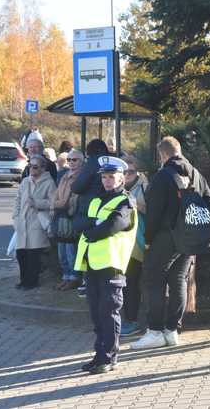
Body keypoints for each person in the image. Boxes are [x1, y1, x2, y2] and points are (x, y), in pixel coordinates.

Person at [130, 136, 210, 350]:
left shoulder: (162, 176)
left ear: (163, 155)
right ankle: (172, 330)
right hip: (189, 238)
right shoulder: (196, 174)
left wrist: (148, 240)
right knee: (179, 280)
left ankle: (155, 331)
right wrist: (194, 227)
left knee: (153, 280)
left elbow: (154, 214)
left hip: (165, 238)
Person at [74, 156, 137, 374]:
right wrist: (94, 224)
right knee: (96, 314)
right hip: (92, 264)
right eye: (104, 177)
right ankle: (99, 354)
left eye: (111, 177)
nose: (107, 181)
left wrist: (91, 228)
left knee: (109, 313)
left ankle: (109, 357)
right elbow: (77, 222)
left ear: (122, 178)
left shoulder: (125, 202)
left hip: (111, 265)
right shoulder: (95, 200)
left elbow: (112, 226)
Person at [72, 139, 111, 297]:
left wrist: (73, 185)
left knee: (86, 244)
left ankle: (86, 282)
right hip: (105, 208)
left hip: (89, 209)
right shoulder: (108, 162)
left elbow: (78, 186)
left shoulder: (93, 162)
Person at [12, 154, 57, 290]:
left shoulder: (49, 183)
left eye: (35, 167)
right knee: (21, 254)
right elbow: (18, 200)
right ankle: (23, 280)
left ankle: (32, 281)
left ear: (43, 168)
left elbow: (53, 203)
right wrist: (15, 217)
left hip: (37, 221)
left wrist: (37, 203)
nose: (32, 169)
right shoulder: (25, 181)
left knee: (34, 255)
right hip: (22, 221)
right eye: (30, 166)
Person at [120, 154, 149, 336]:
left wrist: (131, 200)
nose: (127, 174)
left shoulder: (145, 187)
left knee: (131, 283)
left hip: (137, 243)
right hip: (119, 243)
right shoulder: (117, 185)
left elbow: (149, 210)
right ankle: (126, 319)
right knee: (122, 283)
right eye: (124, 171)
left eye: (131, 171)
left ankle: (132, 321)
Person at [53, 149, 85, 290]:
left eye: (75, 160)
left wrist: (60, 204)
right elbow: (56, 197)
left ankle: (74, 278)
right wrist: (58, 204)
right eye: (69, 160)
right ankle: (66, 276)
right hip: (61, 217)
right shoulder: (64, 176)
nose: (71, 162)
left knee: (72, 252)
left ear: (82, 161)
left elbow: (72, 201)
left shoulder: (82, 177)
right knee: (62, 253)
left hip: (72, 218)